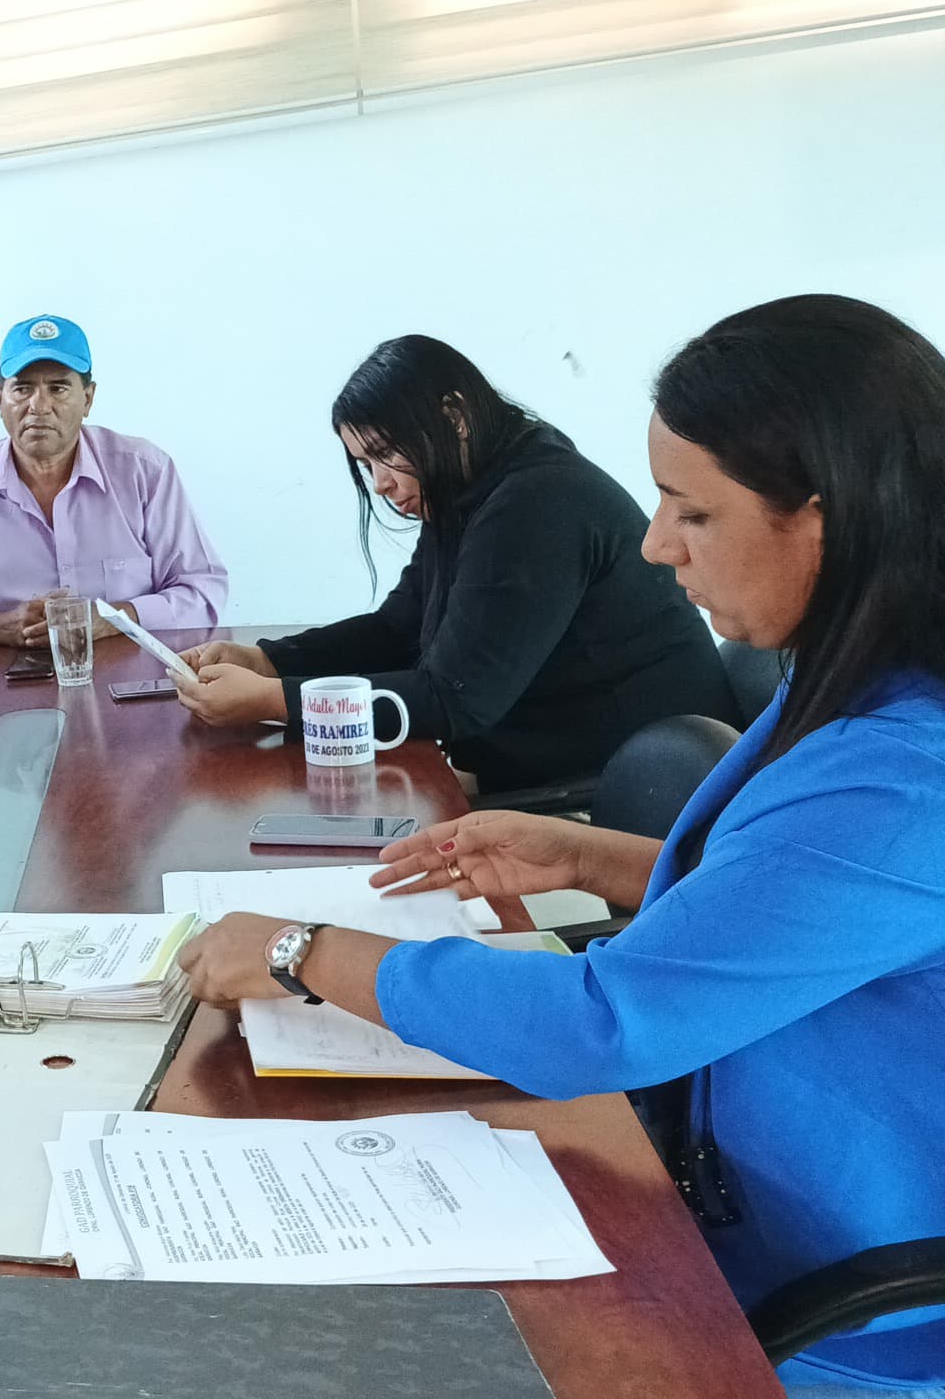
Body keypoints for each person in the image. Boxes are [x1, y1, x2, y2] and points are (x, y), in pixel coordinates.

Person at [176, 296, 945, 1395]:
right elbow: (786, 910)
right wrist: (591, 859)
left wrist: (301, 952)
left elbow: (604, 1024)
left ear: (824, 515)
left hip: (820, 1311)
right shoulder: (853, 679)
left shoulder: (901, 774)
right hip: (718, 1181)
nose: (655, 543)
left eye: (692, 510)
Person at [175, 335, 740, 792]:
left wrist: (275, 701)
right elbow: (397, 629)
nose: (382, 483)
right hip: (568, 755)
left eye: (386, 453)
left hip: (636, 782)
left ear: (454, 417)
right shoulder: (475, 488)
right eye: (366, 464)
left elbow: (454, 700)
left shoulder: (535, 503)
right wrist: (268, 660)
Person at [0, 312, 228, 650]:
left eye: (58, 388)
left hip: (134, 674)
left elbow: (203, 593)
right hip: (2, 677)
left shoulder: (145, 472)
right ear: (0, 398)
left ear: (88, 398)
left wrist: (115, 618)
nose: (39, 406)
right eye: (22, 388)